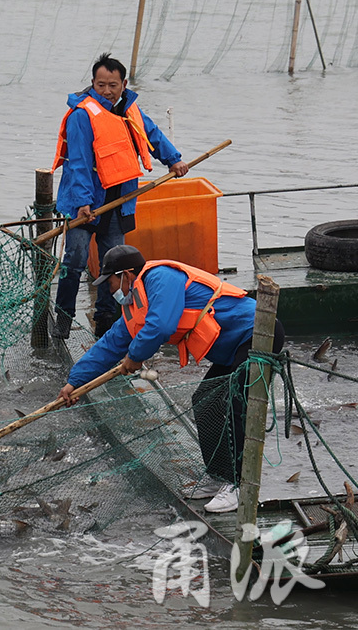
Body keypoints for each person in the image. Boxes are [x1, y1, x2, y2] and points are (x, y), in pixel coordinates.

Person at [56, 245, 285, 514]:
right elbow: (109, 345)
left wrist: (135, 356)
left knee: (232, 403)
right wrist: (75, 382)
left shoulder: (161, 277)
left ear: (127, 274)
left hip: (256, 336)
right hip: (231, 349)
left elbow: (161, 325)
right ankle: (219, 477)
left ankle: (238, 485)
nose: (109, 289)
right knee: (204, 402)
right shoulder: (134, 307)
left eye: (111, 281)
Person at [51, 53, 189, 340]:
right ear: (92, 83)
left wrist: (173, 160)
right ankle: (63, 321)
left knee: (112, 265)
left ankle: (104, 321)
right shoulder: (82, 115)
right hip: (85, 204)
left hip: (118, 203)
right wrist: (82, 203)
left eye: (113, 85)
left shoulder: (131, 110)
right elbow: (77, 162)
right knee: (74, 262)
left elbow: (152, 135)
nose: (107, 91)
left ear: (123, 84)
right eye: (101, 85)